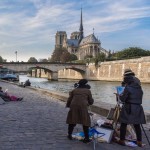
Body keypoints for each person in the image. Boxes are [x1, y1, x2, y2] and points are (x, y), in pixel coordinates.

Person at [117, 76, 146, 147]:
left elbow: (123, 99)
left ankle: (122, 140)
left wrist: (119, 95)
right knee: (137, 125)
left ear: (128, 82)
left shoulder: (128, 88)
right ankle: (139, 141)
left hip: (128, 107)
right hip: (138, 108)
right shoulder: (139, 89)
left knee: (123, 124)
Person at [66, 79, 94, 143]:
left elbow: (69, 99)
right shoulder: (88, 91)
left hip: (73, 106)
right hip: (83, 106)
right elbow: (90, 100)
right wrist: (90, 103)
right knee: (85, 122)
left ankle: (69, 135)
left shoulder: (74, 90)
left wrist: (68, 105)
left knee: (72, 120)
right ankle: (86, 138)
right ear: (85, 84)